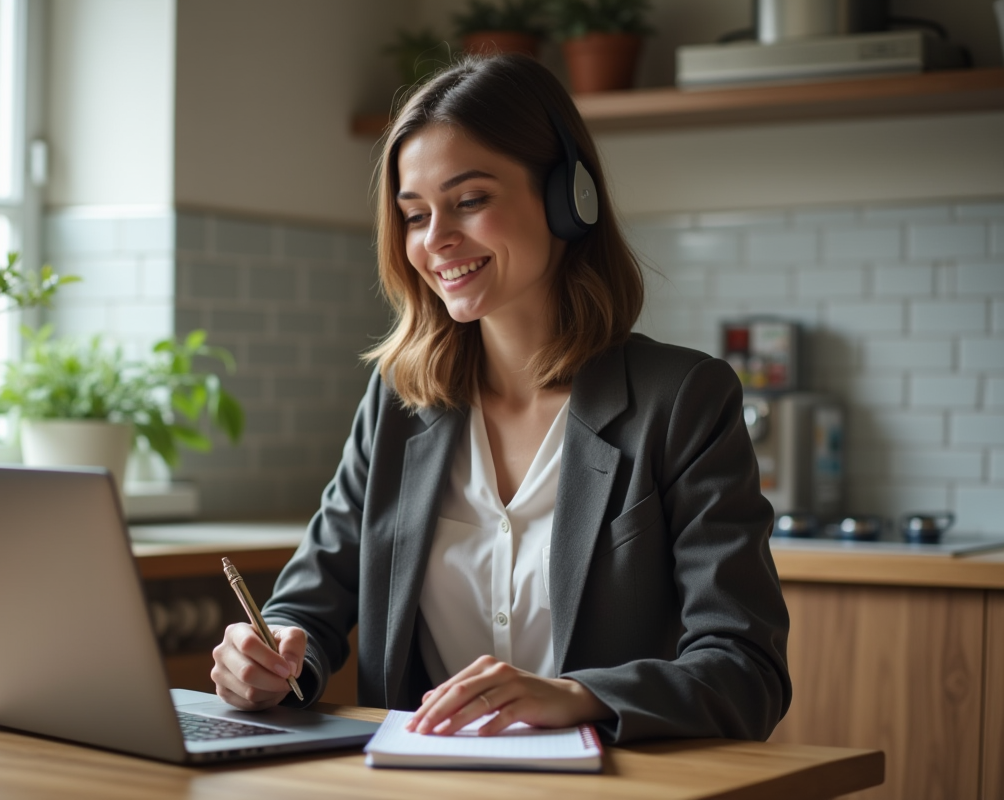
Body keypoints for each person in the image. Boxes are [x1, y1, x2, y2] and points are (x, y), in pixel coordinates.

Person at [211, 54, 790, 744]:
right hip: (417, 786)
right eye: (414, 214)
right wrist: (268, 657)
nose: (436, 241)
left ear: (568, 199)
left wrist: (577, 696)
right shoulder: (398, 403)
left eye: (470, 200)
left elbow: (747, 671)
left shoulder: (685, 401)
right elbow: (309, 603)